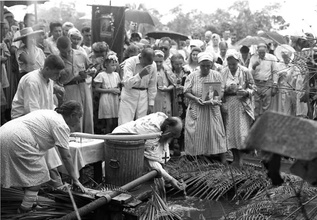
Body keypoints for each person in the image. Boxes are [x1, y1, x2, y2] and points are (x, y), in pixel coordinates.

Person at [1, 100, 86, 213]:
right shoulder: (61, 125)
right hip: (17, 139)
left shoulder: (51, 114)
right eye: (79, 117)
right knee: (38, 173)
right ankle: (24, 209)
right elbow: (66, 156)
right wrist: (75, 179)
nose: (79, 121)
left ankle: (32, 203)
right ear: (72, 115)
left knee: (29, 173)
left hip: (5, 132)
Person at [11, 54, 66, 189]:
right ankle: (54, 183)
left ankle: (52, 182)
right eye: (56, 72)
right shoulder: (32, 81)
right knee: (45, 149)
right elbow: (31, 110)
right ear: (46, 68)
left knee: (50, 148)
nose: (58, 76)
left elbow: (48, 105)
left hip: (39, 119)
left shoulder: (49, 79)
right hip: (23, 121)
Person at [112, 112, 186, 191]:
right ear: (168, 127)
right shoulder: (151, 133)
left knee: (156, 161)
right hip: (120, 140)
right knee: (145, 161)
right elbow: (151, 162)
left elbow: (164, 148)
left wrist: (166, 173)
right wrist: (170, 179)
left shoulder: (164, 121)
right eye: (172, 135)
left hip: (134, 140)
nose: (172, 138)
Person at [184, 52, 227, 163]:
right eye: (203, 66)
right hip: (197, 107)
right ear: (199, 65)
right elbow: (186, 91)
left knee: (216, 131)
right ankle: (197, 157)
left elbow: (221, 90)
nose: (206, 68)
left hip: (212, 108)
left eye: (208, 65)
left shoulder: (216, 75)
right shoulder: (192, 76)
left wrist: (216, 99)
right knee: (195, 132)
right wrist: (195, 98)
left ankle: (221, 157)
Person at [221, 51, 255, 167]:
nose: (231, 66)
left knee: (240, 132)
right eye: (229, 64)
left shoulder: (245, 71)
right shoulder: (223, 71)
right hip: (228, 105)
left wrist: (246, 92)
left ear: (238, 62)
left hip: (241, 105)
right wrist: (226, 90)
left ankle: (240, 159)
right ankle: (235, 158)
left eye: (233, 64)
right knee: (230, 132)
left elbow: (253, 87)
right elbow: (219, 89)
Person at [57, 36, 95, 133]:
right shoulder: (57, 60)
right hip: (69, 89)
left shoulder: (81, 54)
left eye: (68, 51)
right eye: (63, 52)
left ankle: (89, 140)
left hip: (83, 86)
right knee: (74, 115)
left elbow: (91, 66)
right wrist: (75, 76)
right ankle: (74, 140)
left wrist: (91, 71)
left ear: (71, 45)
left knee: (88, 114)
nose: (66, 53)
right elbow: (56, 80)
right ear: (58, 49)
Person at [118, 48, 157, 125]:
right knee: (125, 121)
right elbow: (127, 83)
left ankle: (140, 137)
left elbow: (152, 85)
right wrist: (140, 75)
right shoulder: (130, 62)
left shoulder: (153, 65)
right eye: (145, 63)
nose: (147, 66)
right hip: (129, 93)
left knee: (142, 122)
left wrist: (151, 103)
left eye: (150, 64)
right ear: (141, 57)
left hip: (144, 94)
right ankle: (122, 136)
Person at [248, 43, 278, 119]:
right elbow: (249, 74)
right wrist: (254, 66)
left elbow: (275, 72)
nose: (261, 54)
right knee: (255, 105)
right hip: (256, 83)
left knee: (267, 106)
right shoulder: (253, 58)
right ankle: (255, 124)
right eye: (260, 52)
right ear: (257, 51)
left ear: (266, 50)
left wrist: (275, 84)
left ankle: (265, 124)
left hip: (267, 83)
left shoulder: (272, 58)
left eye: (263, 52)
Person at [169, 53, 190, 153]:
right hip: (172, 99)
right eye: (176, 64)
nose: (179, 66)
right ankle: (172, 148)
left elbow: (190, 85)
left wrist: (183, 88)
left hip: (184, 100)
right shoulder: (169, 72)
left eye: (180, 63)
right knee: (172, 121)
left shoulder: (187, 72)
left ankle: (182, 148)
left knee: (183, 123)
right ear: (172, 64)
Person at [94, 54, 121, 134]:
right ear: (106, 64)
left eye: (115, 65)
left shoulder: (116, 75)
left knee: (115, 120)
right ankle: (107, 136)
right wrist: (110, 90)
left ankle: (115, 135)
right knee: (109, 121)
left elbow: (118, 86)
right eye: (112, 65)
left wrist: (117, 91)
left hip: (115, 98)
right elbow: (97, 89)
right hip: (106, 98)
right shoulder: (101, 75)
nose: (114, 67)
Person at [153, 50, 173, 115]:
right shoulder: (150, 70)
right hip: (154, 99)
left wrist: (167, 89)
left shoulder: (167, 70)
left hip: (165, 97)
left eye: (160, 62)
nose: (158, 64)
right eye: (156, 62)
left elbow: (173, 84)